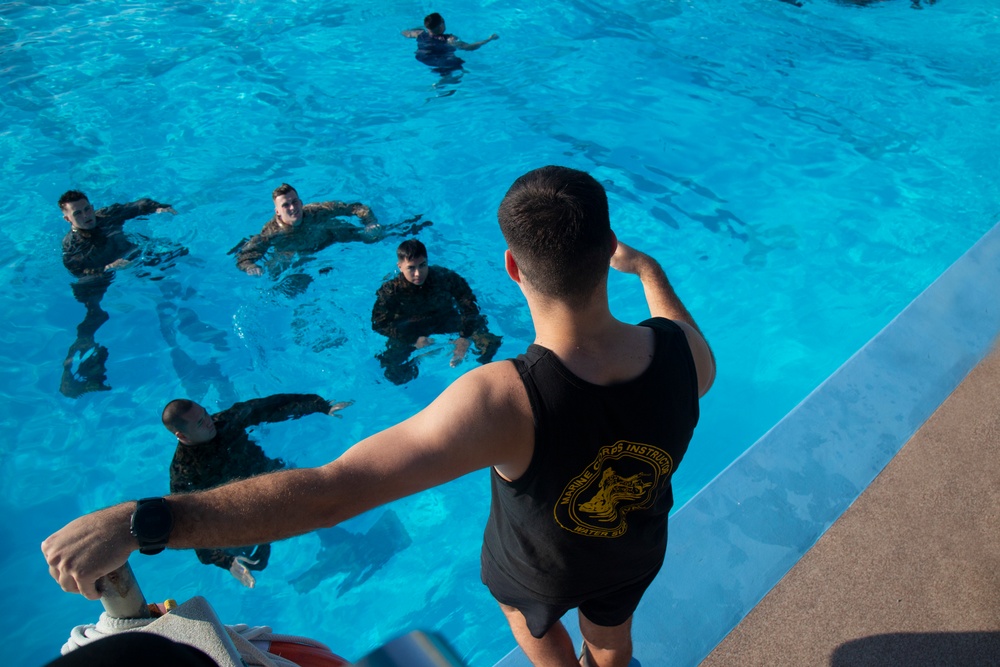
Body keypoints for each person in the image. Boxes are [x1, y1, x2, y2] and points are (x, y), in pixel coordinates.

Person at [43, 166, 715, 667]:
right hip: (634, 549)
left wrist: (145, 520)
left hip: (540, 573)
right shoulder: (685, 352)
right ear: (609, 252)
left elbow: (334, 491)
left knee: (531, 624)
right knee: (612, 639)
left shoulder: (505, 398)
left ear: (512, 267)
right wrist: (650, 268)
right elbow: (670, 318)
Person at [162, 394, 353, 588]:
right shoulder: (184, 472)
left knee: (316, 500)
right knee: (257, 561)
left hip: (269, 475)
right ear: (182, 435)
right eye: (201, 422)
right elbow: (188, 523)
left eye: (205, 413)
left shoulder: (225, 421)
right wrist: (225, 562)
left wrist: (320, 406)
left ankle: (337, 544)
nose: (209, 421)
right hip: (243, 505)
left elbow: (269, 406)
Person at [58, 190, 180, 398]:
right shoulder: (72, 245)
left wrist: (158, 207)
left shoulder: (106, 216)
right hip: (100, 275)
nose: (87, 216)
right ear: (67, 218)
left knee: (178, 256)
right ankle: (72, 374)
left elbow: (137, 204)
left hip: (130, 257)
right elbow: (76, 269)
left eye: (88, 209)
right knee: (94, 316)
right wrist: (106, 269)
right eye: (78, 214)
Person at [371, 239, 502, 384]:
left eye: (422, 266)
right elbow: (379, 323)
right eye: (411, 268)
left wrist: (465, 336)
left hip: (444, 318)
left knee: (490, 342)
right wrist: (413, 339)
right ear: (400, 266)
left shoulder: (443, 277)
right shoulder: (391, 291)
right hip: (411, 327)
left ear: (427, 261)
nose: (417, 273)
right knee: (393, 371)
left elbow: (468, 303)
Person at [235, 183, 382, 277]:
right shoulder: (271, 233)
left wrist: (370, 223)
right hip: (295, 254)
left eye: (294, 202)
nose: (293, 208)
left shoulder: (316, 212)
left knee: (375, 236)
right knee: (276, 272)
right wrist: (250, 267)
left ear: (300, 202)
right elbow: (244, 257)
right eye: (286, 205)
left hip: (328, 239)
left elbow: (356, 208)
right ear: (277, 212)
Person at [402, 13, 499, 77]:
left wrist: (418, 29)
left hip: (422, 57)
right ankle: (446, 78)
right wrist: (489, 39)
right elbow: (469, 48)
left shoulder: (419, 33)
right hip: (440, 61)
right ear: (441, 26)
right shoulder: (449, 39)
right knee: (458, 64)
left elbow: (405, 33)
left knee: (443, 60)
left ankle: (443, 75)